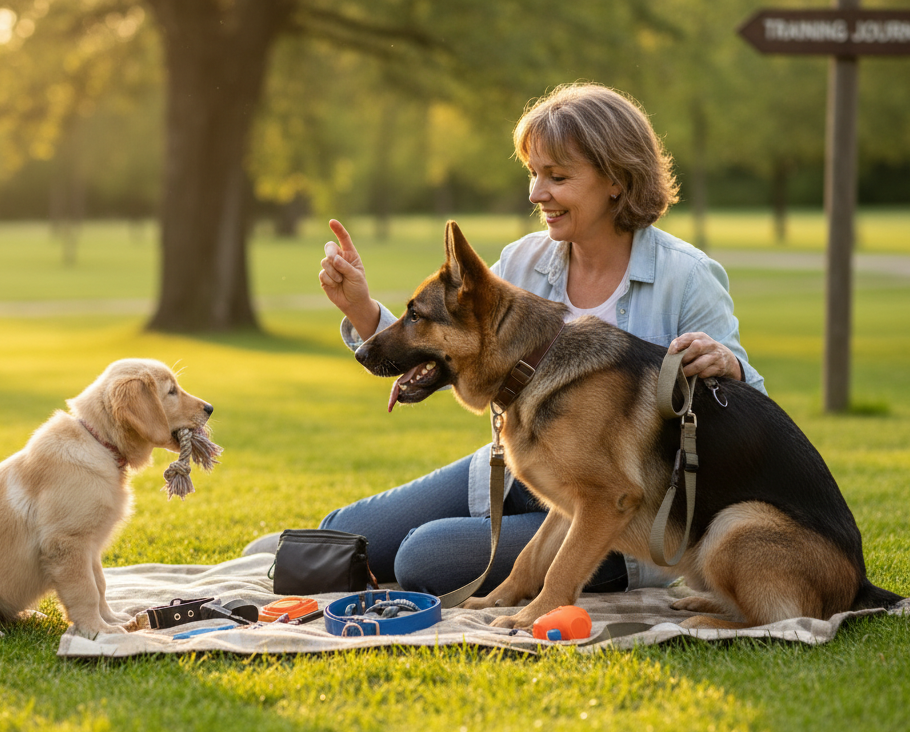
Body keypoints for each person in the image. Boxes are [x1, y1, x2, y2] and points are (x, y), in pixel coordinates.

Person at [250, 83, 766, 597]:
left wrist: (729, 365)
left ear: (616, 180)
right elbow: (452, 336)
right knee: (341, 530)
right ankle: (308, 551)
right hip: (524, 468)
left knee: (423, 557)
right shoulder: (523, 262)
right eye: (534, 173)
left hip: (618, 511)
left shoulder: (687, 276)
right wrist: (361, 308)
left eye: (557, 177)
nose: (536, 193)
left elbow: (753, 417)